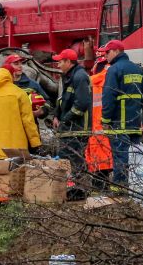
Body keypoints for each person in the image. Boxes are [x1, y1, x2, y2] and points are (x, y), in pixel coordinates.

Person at [100, 39, 143, 185]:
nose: (105, 56)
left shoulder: (114, 70)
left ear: (116, 51)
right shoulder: (137, 69)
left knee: (120, 155)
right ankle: (137, 185)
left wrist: (105, 120)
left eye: (107, 52)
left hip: (119, 123)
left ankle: (120, 187)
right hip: (135, 122)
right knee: (134, 156)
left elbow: (108, 97)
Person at [52, 48, 92, 195]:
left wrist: (64, 119)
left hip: (77, 128)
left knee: (74, 161)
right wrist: (56, 115)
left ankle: (79, 191)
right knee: (68, 160)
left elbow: (81, 104)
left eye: (60, 62)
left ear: (69, 62)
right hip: (69, 128)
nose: (58, 65)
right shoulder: (68, 77)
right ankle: (73, 189)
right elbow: (62, 99)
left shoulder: (80, 77)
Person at [0, 66, 41, 159]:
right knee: (17, 173)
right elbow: (28, 121)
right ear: (11, 75)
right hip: (17, 151)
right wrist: (35, 143)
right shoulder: (19, 93)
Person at [85, 44, 114, 186]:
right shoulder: (111, 72)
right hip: (104, 124)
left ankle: (101, 187)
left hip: (99, 124)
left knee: (101, 161)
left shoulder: (102, 74)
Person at [2, 54, 51, 119]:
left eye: (21, 63)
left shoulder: (32, 84)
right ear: (7, 67)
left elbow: (47, 101)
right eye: (16, 64)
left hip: (29, 125)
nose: (20, 66)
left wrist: (42, 111)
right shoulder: (2, 85)